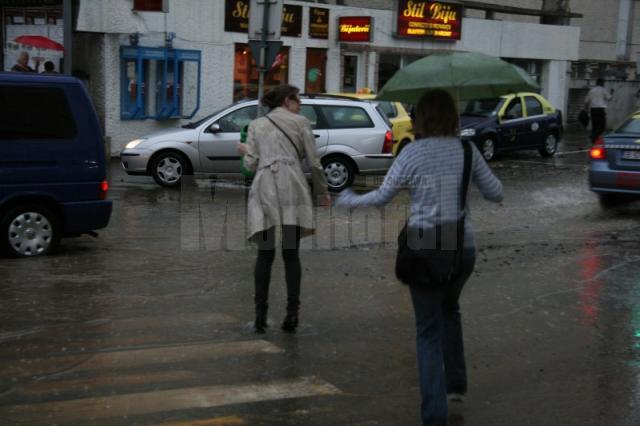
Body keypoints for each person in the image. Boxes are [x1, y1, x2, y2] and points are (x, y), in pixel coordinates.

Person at [336, 89, 503, 425]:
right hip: (462, 251)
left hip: (427, 249)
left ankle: (434, 415)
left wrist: (347, 198)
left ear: (422, 118)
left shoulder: (412, 153)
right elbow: (496, 193)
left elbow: (382, 198)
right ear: (453, 117)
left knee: (427, 331)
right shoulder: (468, 149)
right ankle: (456, 385)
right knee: (450, 311)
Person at [237, 84, 331, 334]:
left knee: (264, 255)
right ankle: (292, 315)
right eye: (297, 100)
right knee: (291, 253)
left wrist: (245, 150)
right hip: (293, 185)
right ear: (287, 101)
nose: (300, 105)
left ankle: (260, 317)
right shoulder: (301, 123)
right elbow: (314, 162)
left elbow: (251, 163)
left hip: (264, 186)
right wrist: (322, 192)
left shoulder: (257, 125)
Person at [584, 77, 614, 143]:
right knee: (602, 126)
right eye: (603, 83)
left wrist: (586, 111)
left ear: (596, 83)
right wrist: (612, 93)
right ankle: (594, 136)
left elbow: (586, 102)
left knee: (595, 125)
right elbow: (609, 98)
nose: (604, 84)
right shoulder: (603, 90)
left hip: (593, 110)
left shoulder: (591, 90)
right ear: (601, 83)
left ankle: (594, 140)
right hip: (600, 110)